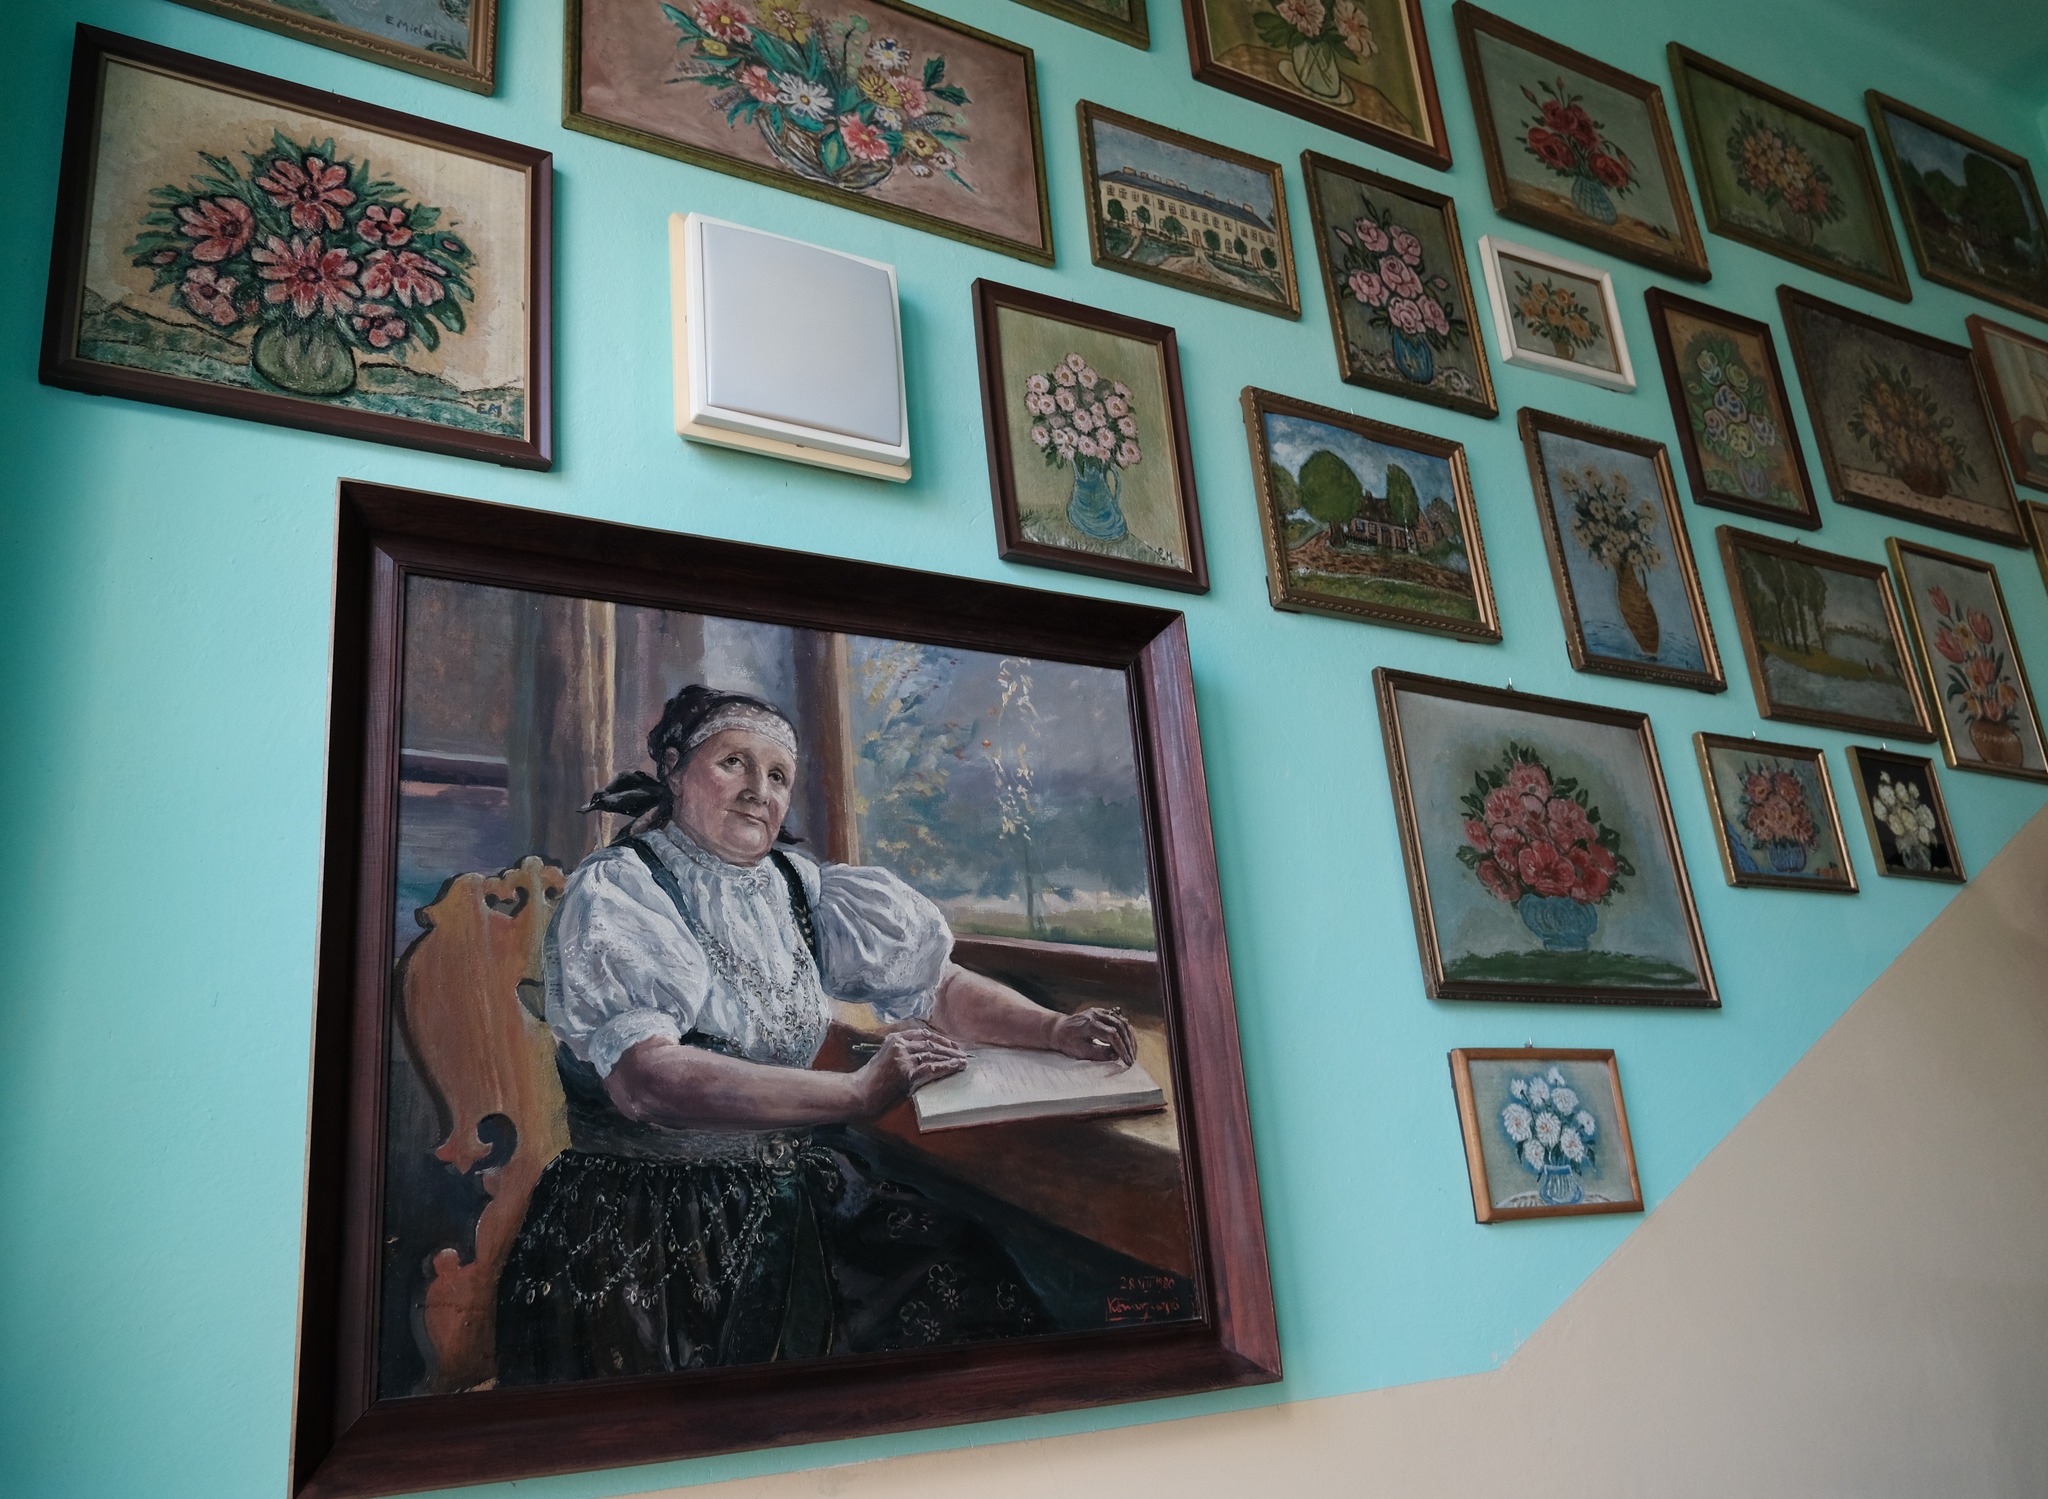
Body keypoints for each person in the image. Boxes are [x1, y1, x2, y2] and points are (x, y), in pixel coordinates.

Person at [495, 684, 1138, 1383]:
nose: (758, 790)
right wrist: (857, 1092)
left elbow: (940, 985)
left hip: (791, 1184)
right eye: (734, 763)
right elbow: (647, 1081)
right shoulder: (622, 890)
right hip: (658, 1221)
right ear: (674, 769)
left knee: (969, 1283)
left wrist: (1054, 1027)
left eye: (777, 776)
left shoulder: (798, 888)